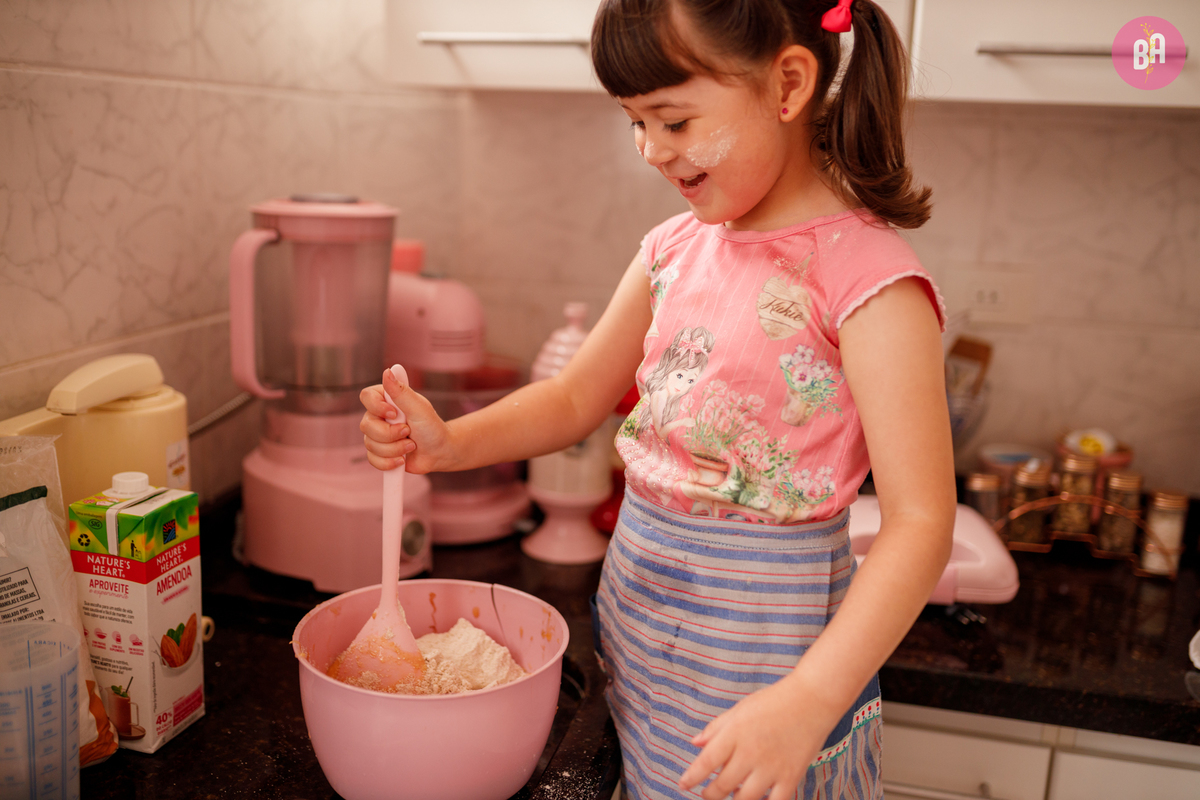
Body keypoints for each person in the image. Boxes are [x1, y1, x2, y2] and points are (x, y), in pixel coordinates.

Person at [359, 0, 955, 797]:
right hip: (643, 638)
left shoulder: (870, 280)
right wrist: (452, 443)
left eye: (673, 120)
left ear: (788, 86)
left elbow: (921, 522)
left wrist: (809, 702)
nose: (650, 149)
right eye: (636, 122)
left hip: (768, 667)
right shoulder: (672, 250)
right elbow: (574, 396)